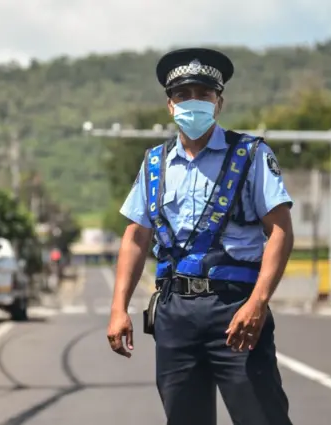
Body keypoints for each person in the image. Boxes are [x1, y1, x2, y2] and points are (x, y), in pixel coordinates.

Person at [107, 47, 295, 425]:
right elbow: (135, 236)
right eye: (182, 95)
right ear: (170, 106)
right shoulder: (154, 163)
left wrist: (257, 304)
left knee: (262, 418)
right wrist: (118, 309)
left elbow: (280, 232)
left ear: (219, 103)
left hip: (235, 310)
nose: (193, 102)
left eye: (203, 95)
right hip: (175, 314)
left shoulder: (251, 154)